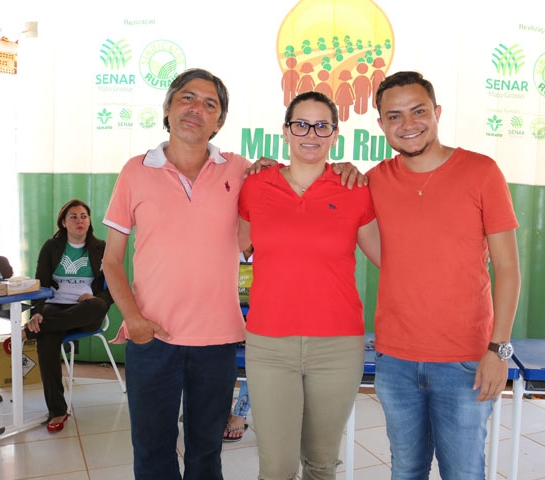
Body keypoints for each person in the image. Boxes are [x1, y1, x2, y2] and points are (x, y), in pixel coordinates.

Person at [101, 69, 364, 480]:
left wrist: (346, 168)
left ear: (220, 121)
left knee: (207, 453)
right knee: (152, 452)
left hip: (218, 340)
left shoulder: (241, 171)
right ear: (168, 107)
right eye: (187, 98)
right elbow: (111, 261)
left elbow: (289, 186)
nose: (196, 110)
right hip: (153, 338)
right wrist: (133, 321)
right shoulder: (135, 171)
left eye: (210, 104)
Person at [367, 71, 521, 479]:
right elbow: (384, 252)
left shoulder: (481, 171)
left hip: (467, 361)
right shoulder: (374, 181)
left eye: (418, 111)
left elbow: (508, 268)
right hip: (395, 359)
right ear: (381, 124)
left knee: (464, 472)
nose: (408, 124)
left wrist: (498, 350)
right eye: (394, 116)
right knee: (406, 470)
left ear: (436, 113)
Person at [238, 90, 380, 480]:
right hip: (269, 345)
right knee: (277, 467)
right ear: (285, 131)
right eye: (301, 124)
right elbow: (236, 245)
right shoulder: (255, 185)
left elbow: (390, 258)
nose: (311, 133)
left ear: (335, 134)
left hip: (337, 347)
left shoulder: (355, 188)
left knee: (320, 464)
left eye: (322, 126)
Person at [24, 198, 113, 433]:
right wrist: (37, 314)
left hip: (87, 310)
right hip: (56, 307)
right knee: (46, 340)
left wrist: (98, 299)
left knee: (96, 307)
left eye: (83, 216)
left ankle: (30, 331)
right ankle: (57, 410)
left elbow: (112, 286)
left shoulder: (100, 247)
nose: (79, 220)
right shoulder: (51, 247)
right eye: (73, 216)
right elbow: (40, 284)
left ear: (89, 220)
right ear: (63, 222)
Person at [224, 245, 254, 443]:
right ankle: (222, 407)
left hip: (259, 315)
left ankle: (240, 411)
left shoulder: (270, 243)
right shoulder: (223, 242)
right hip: (223, 312)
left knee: (255, 355)